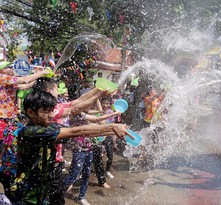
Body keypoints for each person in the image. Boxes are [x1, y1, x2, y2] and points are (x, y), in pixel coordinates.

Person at [13, 90, 132, 205]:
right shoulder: (31, 131)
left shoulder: (48, 126)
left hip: (43, 186)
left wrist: (113, 132)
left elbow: (82, 132)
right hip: (29, 193)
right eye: (46, 111)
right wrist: (111, 127)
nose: (51, 115)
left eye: (51, 111)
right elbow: (75, 131)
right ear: (31, 112)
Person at [0, 65, 50, 202]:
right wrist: (42, 72)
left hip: (9, 122)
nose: (11, 68)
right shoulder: (2, 78)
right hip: (2, 122)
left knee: (9, 151)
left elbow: (25, 85)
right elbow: (24, 79)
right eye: (8, 67)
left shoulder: (9, 83)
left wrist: (39, 77)